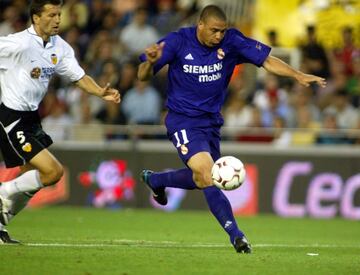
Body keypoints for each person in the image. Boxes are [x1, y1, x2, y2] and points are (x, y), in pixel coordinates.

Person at [137, 5, 326, 253]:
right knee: (207, 174)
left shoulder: (232, 41)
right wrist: (149, 64)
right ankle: (236, 235)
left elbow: (267, 60)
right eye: (214, 31)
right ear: (200, 25)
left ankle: (156, 179)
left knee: (204, 177)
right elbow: (142, 76)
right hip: (182, 120)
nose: (218, 36)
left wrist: (298, 75)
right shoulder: (177, 41)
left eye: (222, 32)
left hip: (212, 122)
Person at [0, 0, 120, 244]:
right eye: (52, 14)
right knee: (53, 172)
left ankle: (1, 224)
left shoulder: (60, 47)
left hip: (32, 117)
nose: (57, 20)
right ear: (36, 18)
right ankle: (2, 192)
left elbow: (78, 76)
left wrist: (99, 92)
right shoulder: (17, 44)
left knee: (31, 179)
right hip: (11, 117)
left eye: (59, 14)